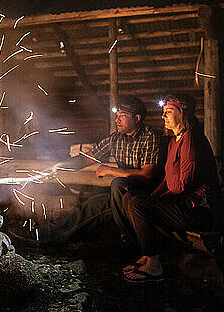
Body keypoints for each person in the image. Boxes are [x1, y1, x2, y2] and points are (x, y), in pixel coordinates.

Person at [28, 95, 162, 247]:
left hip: (145, 195)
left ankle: (128, 240)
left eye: (122, 117)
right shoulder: (115, 138)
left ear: (137, 118)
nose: (117, 120)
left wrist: (109, 170)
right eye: (117, 116)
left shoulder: (150, 136)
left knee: (109, 193)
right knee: (87, 207)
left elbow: (146, 174)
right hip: (121, 193)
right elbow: (86, 158)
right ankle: (43, 234)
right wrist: (57, 167)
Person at [121, 94, 220, 283]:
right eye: (163, 112)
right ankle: (147, 255)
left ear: (182, 114)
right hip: (182, 206)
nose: (163, 117)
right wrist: (151, 198)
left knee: (138, 204)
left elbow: (184, 185)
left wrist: (152, 204)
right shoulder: (175, 141)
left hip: (198, 212)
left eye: (168, 112)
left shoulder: (191, 140)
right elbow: (168, 179)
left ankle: (154, 265)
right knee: (130, 198)